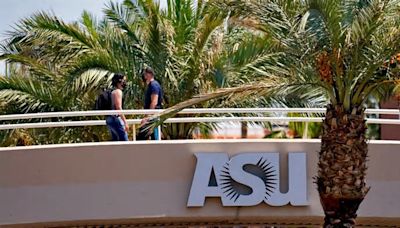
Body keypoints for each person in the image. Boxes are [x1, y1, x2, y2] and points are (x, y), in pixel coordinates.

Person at [138, 67, 163, 140]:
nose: (144, 76)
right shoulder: (151, 85)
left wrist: (148, 116)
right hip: (152, 116)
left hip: (154, 116)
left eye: (145, 74)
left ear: (149, 74)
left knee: (154, 137)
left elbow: (154, 102)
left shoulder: (153, 85)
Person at [106, 73, 129, 141]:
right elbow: (118, 107)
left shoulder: (112, 92)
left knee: (116, 141)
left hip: (110, 118)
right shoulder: (118, 92)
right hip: (116, 119)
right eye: (123, 81)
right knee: (124, 141)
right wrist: (125, 122)